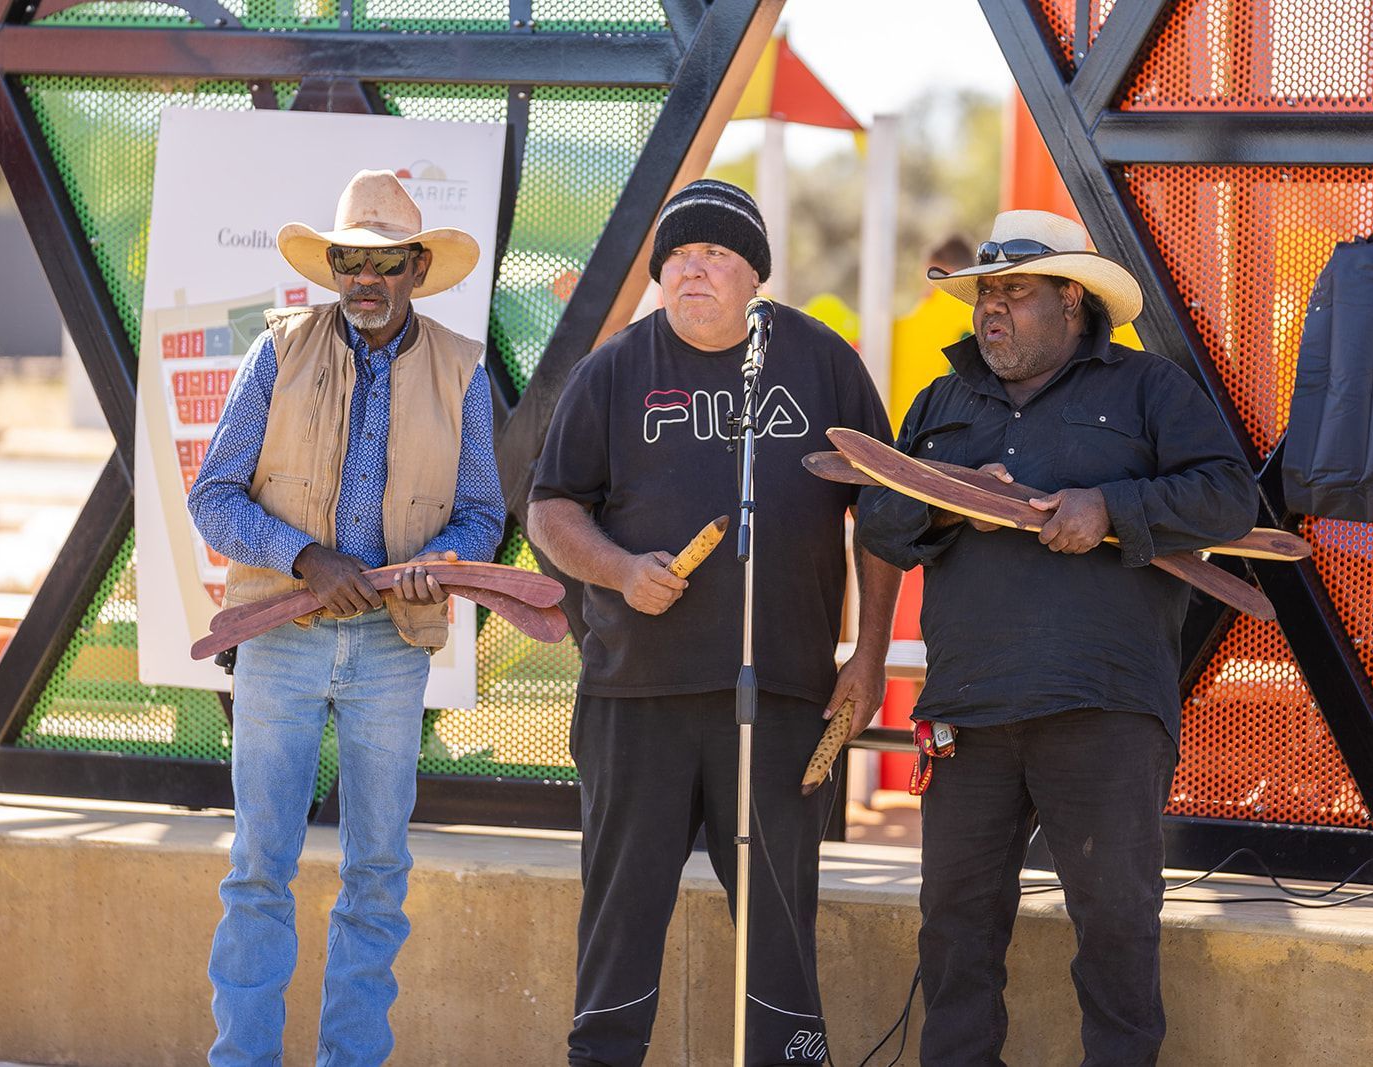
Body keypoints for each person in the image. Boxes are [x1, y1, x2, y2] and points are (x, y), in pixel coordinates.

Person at [856, 210, 1258, 1066]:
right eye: (983, 295)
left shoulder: (1147, 389)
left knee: (1115, 928)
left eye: (1014, 292)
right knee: (955, 933)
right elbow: (880, 518)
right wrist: (952, 491)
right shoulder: (941, 399)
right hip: (968, 712)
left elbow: (1229, 496)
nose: (990, 310)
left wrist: (1113, 506)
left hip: (1103, 707)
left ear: (1072, 300)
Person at [526, 178, 901, 1067]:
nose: (693, 273)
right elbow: (550, 508)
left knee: (778, 923)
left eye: (716, 257)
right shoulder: (614, 368)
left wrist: (871, 652)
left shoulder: (822, 364)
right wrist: (619, 569)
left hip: (780, 697)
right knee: (619, 921)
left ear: (754, 276)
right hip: (636, 696)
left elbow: (882, 514)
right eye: (678, 259)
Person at [187, 169, 505, 1066]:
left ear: (415, 267)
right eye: (349, 260)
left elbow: (484, 512)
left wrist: (437, 562)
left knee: (376, 876)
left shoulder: (463, 369)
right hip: (278, 640)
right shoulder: (276, 351)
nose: (365, 279)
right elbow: (212, 496)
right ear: (331, 266)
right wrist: (307, 559)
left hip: (391, 648)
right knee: (258, 871)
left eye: (385, 262)